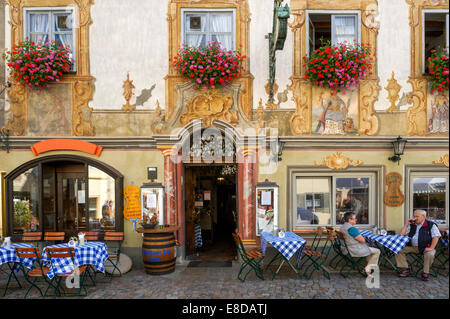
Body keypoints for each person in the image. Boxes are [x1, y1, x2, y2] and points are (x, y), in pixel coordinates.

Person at [395, 209, 441, 281]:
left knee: (430, 254)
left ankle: (425, 272)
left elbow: (436, 237)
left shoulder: (431, 225)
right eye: (414, 216)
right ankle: (405, 269)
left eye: (417, 216)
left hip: (426, 247)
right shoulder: (412, 224)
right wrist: (407, 224)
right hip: (413, 247)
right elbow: (402, 234)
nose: (415, 218)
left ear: (424, 217)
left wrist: (431, 248)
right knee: (397, 249)